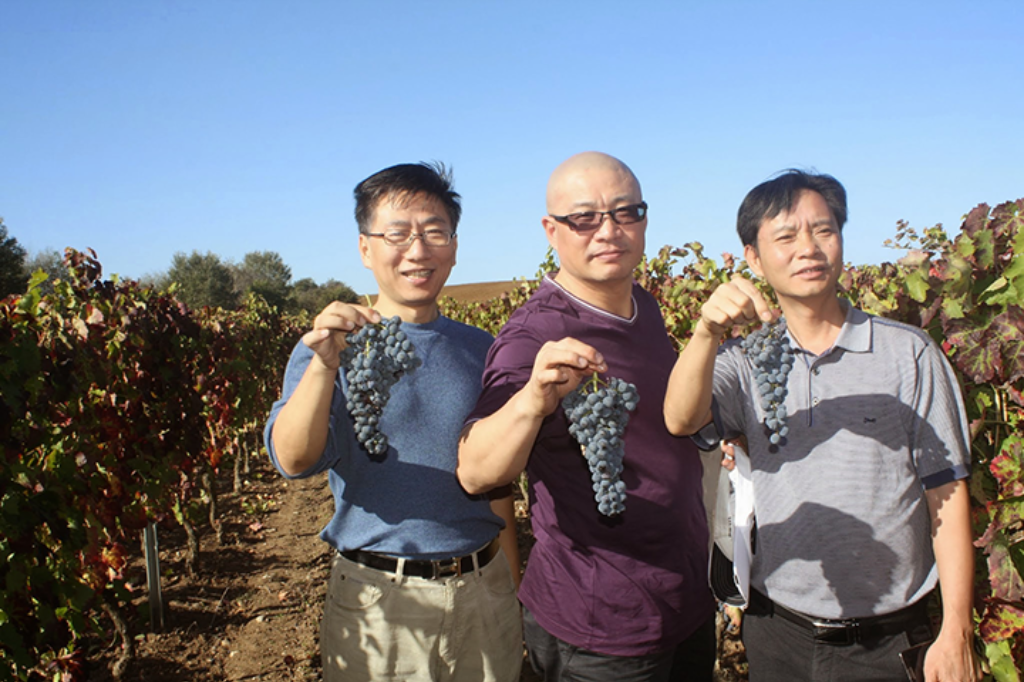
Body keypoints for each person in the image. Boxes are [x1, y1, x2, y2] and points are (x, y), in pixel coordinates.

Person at [663, 170, 980, 681]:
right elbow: (680, 419)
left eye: (823, 230)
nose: (807, 248)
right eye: (785, 236)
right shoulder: (745, 361)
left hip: (891, 640)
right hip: (777, 632)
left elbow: (946, 490)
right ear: (753, 257)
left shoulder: (909, 354)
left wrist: (957, 630)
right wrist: (704, 332)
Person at [457, 151, 716, 681]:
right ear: (552, 230)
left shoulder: (643, 304)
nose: (609, 231)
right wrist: (532, 398)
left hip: (686, 598)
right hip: (602, 628)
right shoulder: (531, 335)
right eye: (585, 218)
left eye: (627, 213)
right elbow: (476, 470)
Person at [264, 162, 523, 682]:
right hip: (382, 602)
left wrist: (510, 591)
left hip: (484, 589)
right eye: (397, 234)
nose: (417, 249)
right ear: (365, 248)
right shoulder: (329, 347)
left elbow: (498, 486)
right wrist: (325, 365)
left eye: (434, 232)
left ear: (453, 245)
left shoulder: (483, 349)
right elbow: (293, 461)